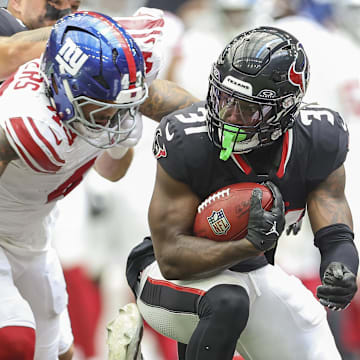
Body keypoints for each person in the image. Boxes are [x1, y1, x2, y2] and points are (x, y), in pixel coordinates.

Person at [112, 26, 359, 359]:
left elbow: (336, 235)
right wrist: (247, 245)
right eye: (225, 98)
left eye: (248, 108)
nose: (229, 114)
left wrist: (340, 269)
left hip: (252, 272)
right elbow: (171, 259)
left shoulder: (317, 140)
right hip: (160, 273)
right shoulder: (190, 139)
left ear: (285, 110)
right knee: (228, 301)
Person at [0, 10, 198, 360]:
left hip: (31, 235)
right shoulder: (28, 120)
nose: (114, 118)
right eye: (101, 108)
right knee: (14, 339)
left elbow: (114, 167)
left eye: (121, 106)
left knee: (58, 352)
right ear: (62, 93)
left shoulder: (112, 83)